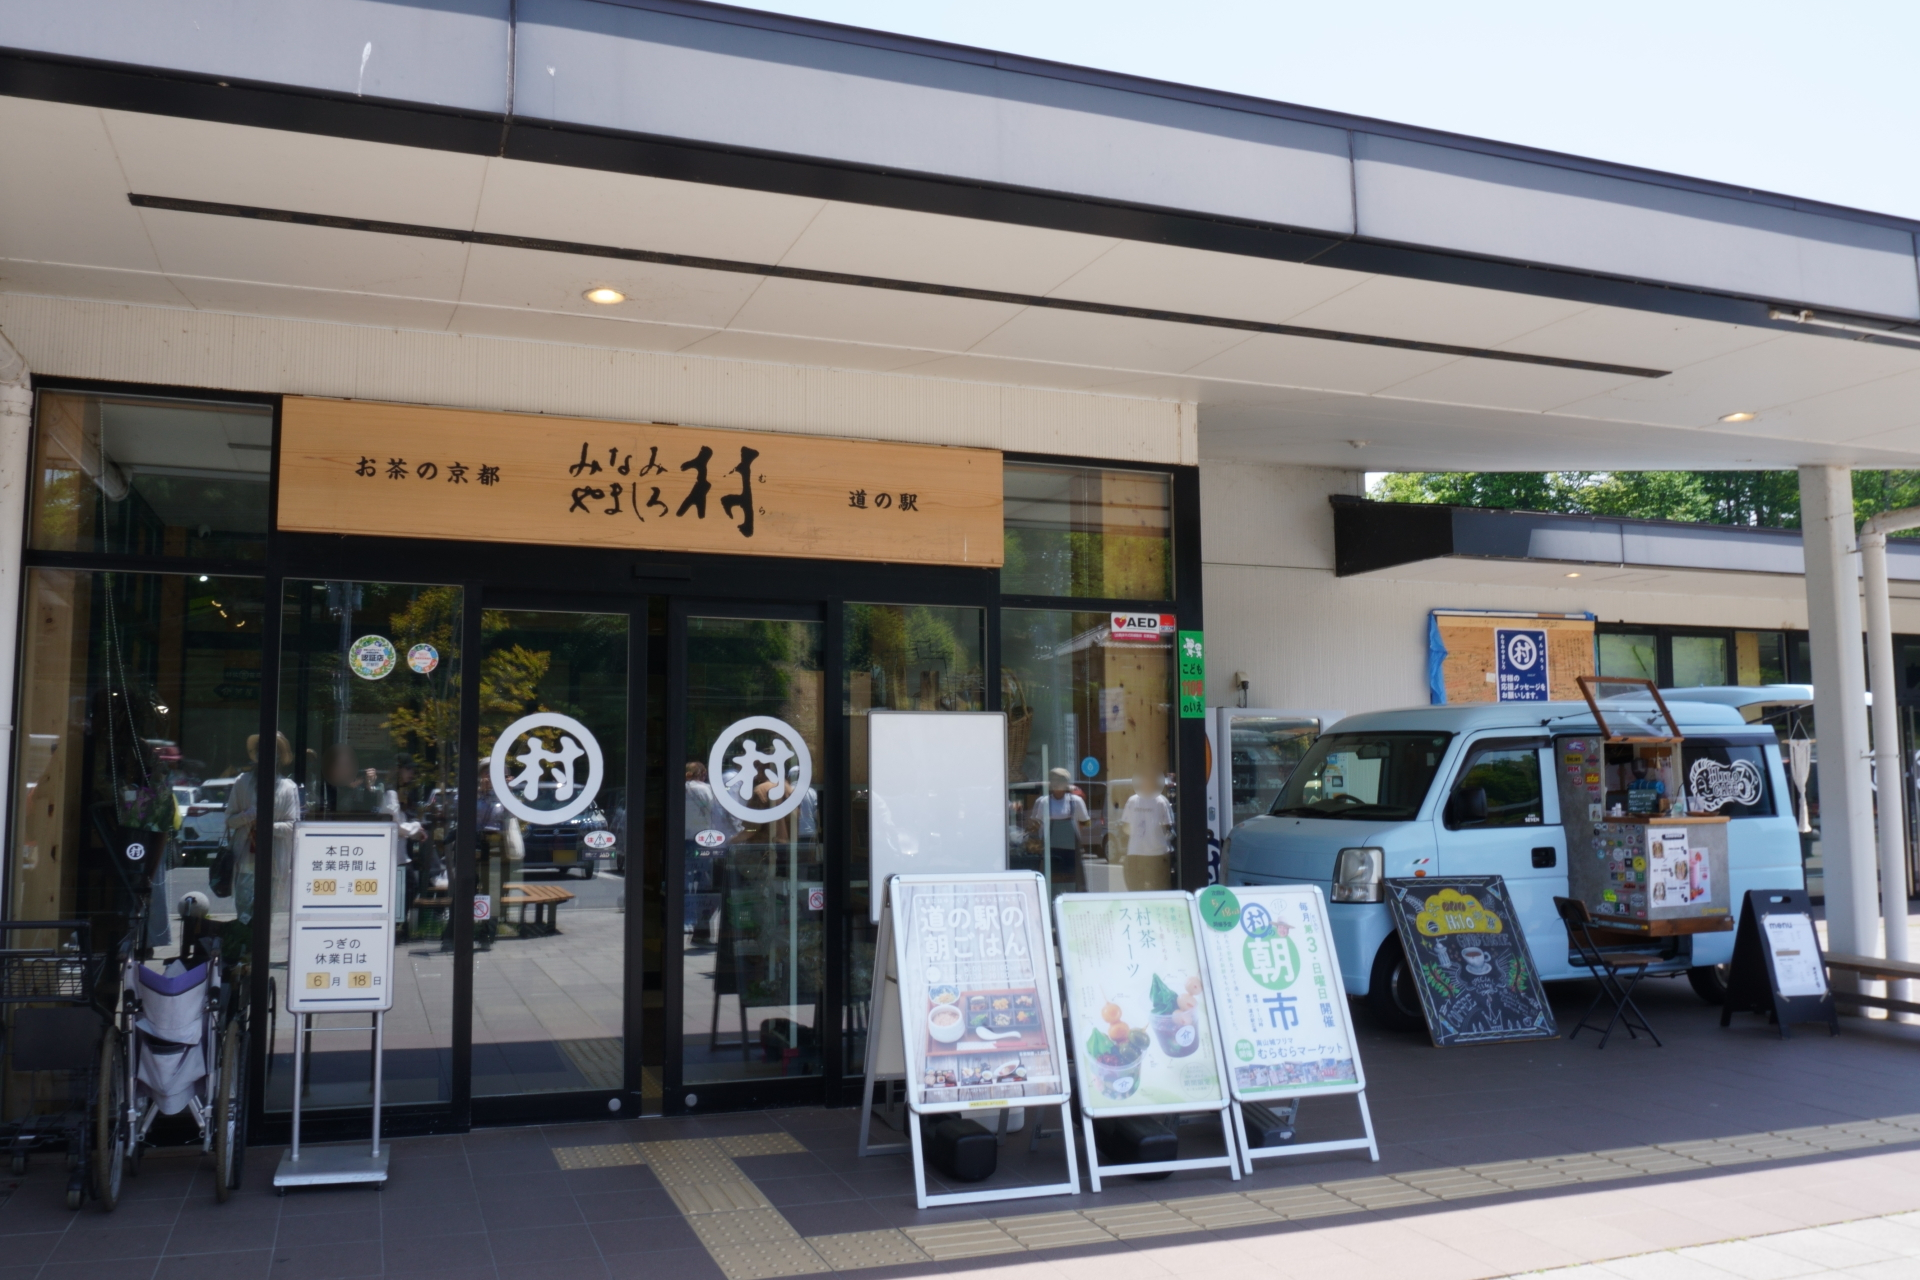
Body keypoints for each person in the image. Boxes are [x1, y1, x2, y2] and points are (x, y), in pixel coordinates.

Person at [225, 732, 299, 934]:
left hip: (273, 861)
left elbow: (293, 826)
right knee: (244, 915)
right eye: (261, 750)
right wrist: (248, 815)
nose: (265, 754)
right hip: (245, 859)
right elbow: (229, 820)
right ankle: (244, 949)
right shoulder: (242, 782)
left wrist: (267, 826)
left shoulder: (287, 787)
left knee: (265, 917)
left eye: (272, 751)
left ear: (279, 756)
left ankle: (256, 950)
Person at [1027, 767, 1090, 894]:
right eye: (1053, 779)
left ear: (1066, 783)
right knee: (1051, 882)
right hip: (1051, 849)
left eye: (1059, 780)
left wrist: (1074, 837)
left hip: (1071, 849)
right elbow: (1036, 823)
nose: (1055, 783)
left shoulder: (1076, 801)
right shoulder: (1043, 802)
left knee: (1074, 881)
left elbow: (1085, 822)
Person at [1120, 772, 1175, 891]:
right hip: (1154, 852)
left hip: (1139, 852)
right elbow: (1168, 827)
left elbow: (1125, 827)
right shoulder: (1160, 801)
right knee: (1158, 889)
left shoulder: (1134, 801)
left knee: (1137, 889)